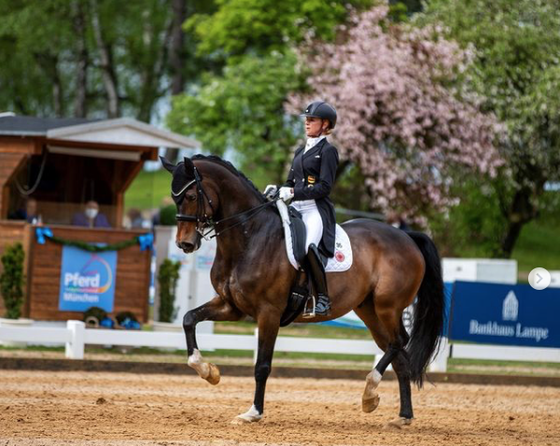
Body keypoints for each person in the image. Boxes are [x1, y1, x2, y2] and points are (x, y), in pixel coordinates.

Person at [268, 101, 339, 317]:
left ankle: (323, 298)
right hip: (295, 208)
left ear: (325, 124)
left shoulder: (328, 151)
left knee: (308, 246)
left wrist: (294, 193)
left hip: (314, 209)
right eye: (306, 119)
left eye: (312, 120)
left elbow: (325, 187)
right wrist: (279, 189)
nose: (306, 123)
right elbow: (291, 181)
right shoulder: (301, 150)